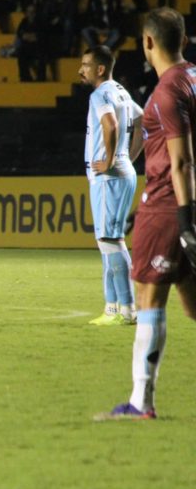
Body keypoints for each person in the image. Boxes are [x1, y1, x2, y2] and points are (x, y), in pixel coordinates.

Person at [95, 8, 196, 421]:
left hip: (170, 205)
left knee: (149, 297)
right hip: (185, 204)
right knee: (193, 304)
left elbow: (181, 161)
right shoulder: (192, 78)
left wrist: (185, 222)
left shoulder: (167, 92)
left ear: (148, 43)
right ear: (184, 41)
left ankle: (141, 402)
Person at [79, 45, 143, 327]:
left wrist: (108, 160)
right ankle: (113, 307)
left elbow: (110, 125)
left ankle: (127, 309)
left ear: (100, 68)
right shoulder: (122, 92)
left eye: (86, 65)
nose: (81, 70)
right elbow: (142, 121)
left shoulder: (101, 94)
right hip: (121, 172)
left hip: (109, 177)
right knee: (108, 240)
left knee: (111, 241)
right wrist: (128, 157)